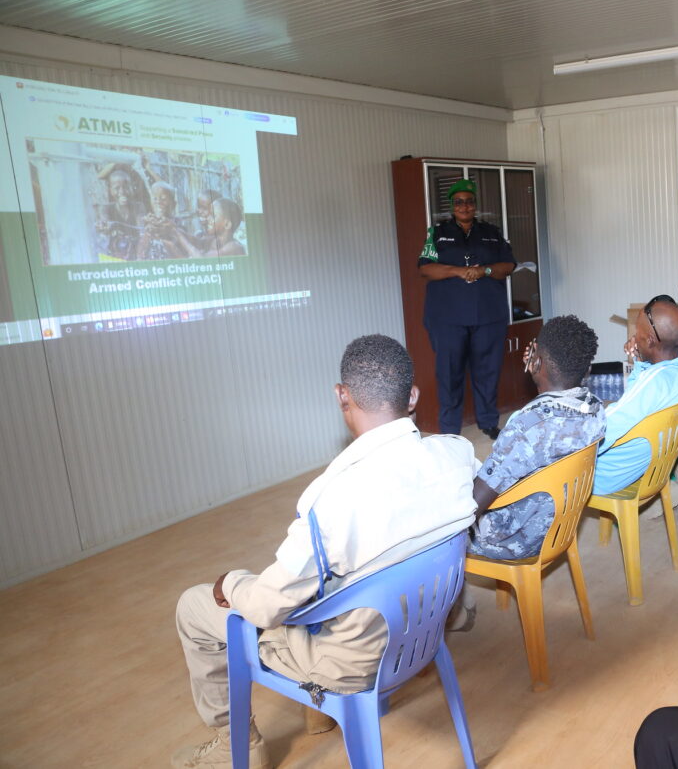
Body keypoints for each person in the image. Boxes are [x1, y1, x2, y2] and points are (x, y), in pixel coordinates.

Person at [170, 335, 478, 769]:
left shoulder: (330, 498)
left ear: (342, 396)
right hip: (422, 636)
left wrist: (232, 584)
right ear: (412, 396)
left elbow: (266, 608)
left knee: (195, 605)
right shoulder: (457, 453)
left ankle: (235, 745)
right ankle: (318, 712)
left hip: (351, 663)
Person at [466, 315, 605, 561]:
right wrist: (540, 373)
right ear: (587, 370)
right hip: (559, 525)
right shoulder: (596, 408)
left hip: (513, 538)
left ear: (537, 361)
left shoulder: (526, 427)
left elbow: (473, 504)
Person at [418, 179, 517, 438]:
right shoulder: (437, 233)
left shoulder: (491, 232)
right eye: (459, 202)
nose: (465, 206)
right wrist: (458, 271)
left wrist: (484, 270)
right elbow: (425, 268)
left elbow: (508, 265)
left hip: (488, 315)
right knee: (449, 374)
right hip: (448, 318)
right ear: (452, 206)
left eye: (469, 202)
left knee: (488, 371)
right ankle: (450, 430)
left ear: (475, 205)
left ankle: (488, 422)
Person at [593, 296, 678, 496]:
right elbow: (637, 393)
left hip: (611, 475)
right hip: (655, 460)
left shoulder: (651, 384)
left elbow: (603, 428)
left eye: (637, 332)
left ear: (650, 340)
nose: (634, 336)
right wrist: (640, 360)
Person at [95, 164, 149, 261]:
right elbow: (105, 226)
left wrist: (139, 257)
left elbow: (142, 232)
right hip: (114, 256)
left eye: (126, 187)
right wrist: (104, 227)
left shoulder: (138, 207)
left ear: (132, 187)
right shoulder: (106, 208)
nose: (122, 191)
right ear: (110, 190)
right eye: (117, 188)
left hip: (136, 253)